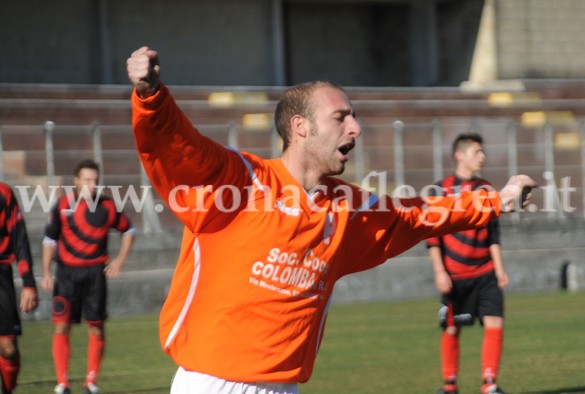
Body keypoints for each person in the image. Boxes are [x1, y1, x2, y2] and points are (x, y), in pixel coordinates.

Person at [126, 46, 536, 394]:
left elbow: (420, 214)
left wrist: (495, 201)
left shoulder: (348, 210)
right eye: (341, 117)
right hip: (211, 384)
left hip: (286, 385)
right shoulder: (239, 182)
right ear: (300, 127)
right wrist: (151, 95)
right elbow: (178, 145)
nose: (355, 128)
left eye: (353, 117)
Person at [41, 159, 135, 394]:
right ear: (76, 181)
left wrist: (120, 261)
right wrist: (45, 272)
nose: (92, 185)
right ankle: (62, 383)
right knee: (61, 327)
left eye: (95, 180)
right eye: (87, 180)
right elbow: (49, 240)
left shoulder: (107, 206)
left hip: (95, 275)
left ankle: (90, 382)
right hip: (66, 275)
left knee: (96, 328)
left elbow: (129, 230)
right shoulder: (62, 205)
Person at [426, 133, 510, 394]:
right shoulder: (440, 190)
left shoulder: (487, 189)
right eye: (477, 152)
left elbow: (493, 234)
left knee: (495, 323)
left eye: (482, 152)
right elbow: (432, 236)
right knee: (452, 328)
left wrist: (499, 268)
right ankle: (449, 385)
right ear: (459, 155)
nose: (482, 156)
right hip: (454, 275)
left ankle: (490, 384)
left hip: (485, 272)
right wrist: (440, 271)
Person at [0, 182, 38, 394]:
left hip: (2, 277)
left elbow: (19, 239)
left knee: (8, 349)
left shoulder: (4, 194)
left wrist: (29, 283)